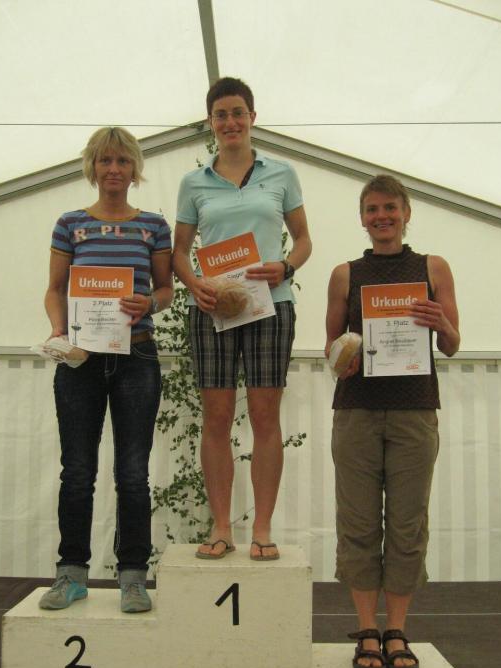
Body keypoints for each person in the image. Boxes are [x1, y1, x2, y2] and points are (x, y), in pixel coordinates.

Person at [172, 77, 312, 561]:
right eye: (221, 115)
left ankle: (264, 529)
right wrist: (195, 285)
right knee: (215, 417)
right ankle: (221, 527)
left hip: (270, 305)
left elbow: (304, 239)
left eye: (237, 112)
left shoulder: (282, 173)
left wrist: (286, 266)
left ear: (252, 117)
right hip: (212, 308)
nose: (230, 122)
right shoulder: (193, 183)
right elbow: (179, 252)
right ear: (210, 123)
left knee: (265, 415)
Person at [325, 175, 460, 668]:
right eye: (372, 209)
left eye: (390, 208)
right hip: (356, 411)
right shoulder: (345, 274)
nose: (381, 216)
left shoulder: (433, 267)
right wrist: (344, 356)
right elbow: (330, 349)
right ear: (362, 217)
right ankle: (367, 630)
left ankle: (397, 630)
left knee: (407, 524)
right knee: (358, 523)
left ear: (406, 213)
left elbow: (452, 344)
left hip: (415, 411)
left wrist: (440, 322)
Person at [39, 126, 173, 613]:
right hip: (80, 361)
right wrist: (59, 330)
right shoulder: (70, 224)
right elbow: (55, 289)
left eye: (122, 161)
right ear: (92, 168)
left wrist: (148, 304)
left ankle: (133, 578)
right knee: (77, 471)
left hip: (137, 358)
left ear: (135, 169)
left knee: (133, 474)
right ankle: (71, 574)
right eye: (105, 161)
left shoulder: (153, 225)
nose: (113, 169)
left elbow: (165, 290)